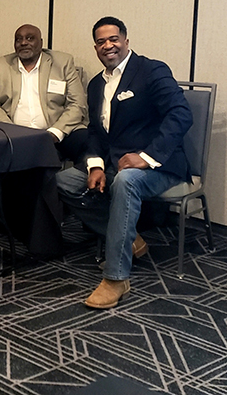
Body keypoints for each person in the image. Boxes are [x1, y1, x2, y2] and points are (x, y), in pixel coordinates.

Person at [56, 17, 192, 309]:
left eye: (114, 39)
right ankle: (130, 238)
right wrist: (94, 165)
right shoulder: (95, 85)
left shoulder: (151, 70)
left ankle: (116, 278)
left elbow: (180, 115)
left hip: (160, 165)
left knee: (125, 181)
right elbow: (95, 133)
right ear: (95, 48)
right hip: (116, 163)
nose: (109, 46)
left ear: (126, 41)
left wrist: (146, 157)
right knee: (64, 181)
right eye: (101, 42)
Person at [0, 24, 88, 163]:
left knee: (85, 139)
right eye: (18, 39)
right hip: (14, 135)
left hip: (54, 133)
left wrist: (55, 132)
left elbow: (77, 104)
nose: (23, 42)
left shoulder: (63, 62)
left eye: (30, 38)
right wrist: (13, 132)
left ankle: (74, 181)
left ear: (41, 43)